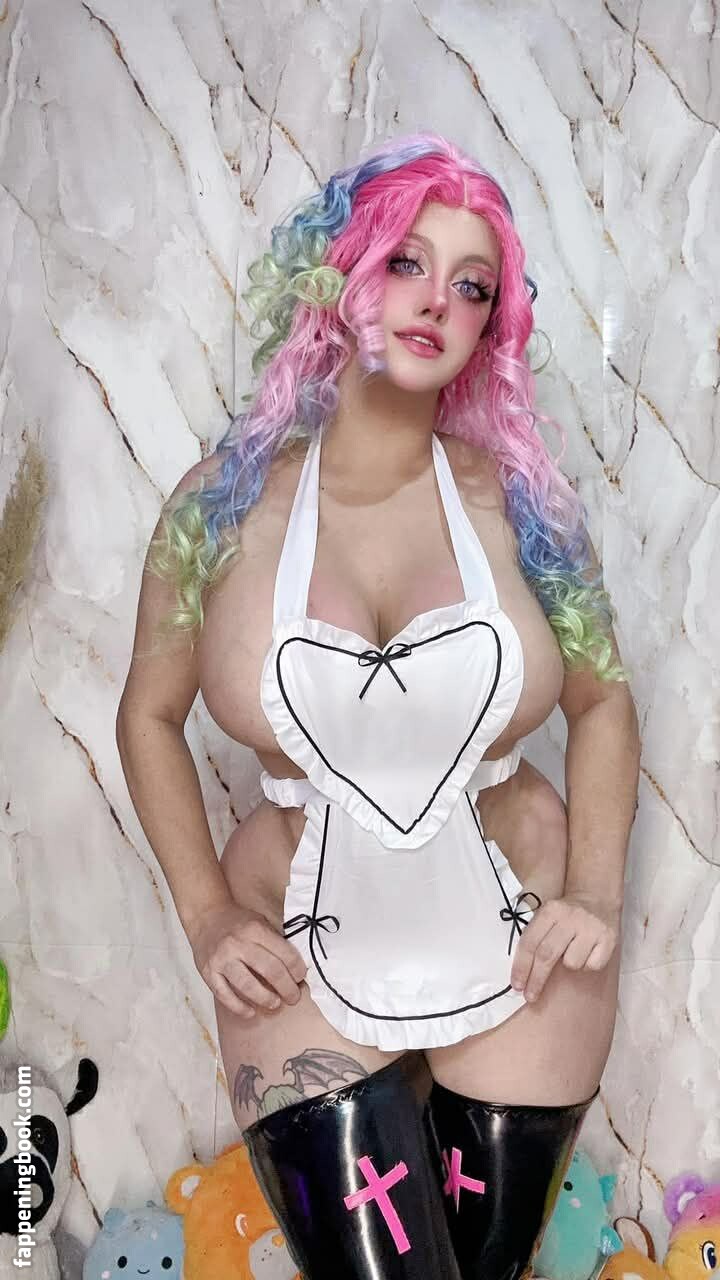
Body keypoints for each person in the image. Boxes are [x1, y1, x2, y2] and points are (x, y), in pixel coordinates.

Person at [116, 133, 640, 1280]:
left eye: (472, 285)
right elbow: (147, 715)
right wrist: (207, 915)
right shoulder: (218, 506)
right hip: (294, 941)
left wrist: (597, 891)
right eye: (407, 261)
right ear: (341, 268)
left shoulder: (524, 504)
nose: (436, 301)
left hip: (521, 936)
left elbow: (603, 700)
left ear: (491, 326)